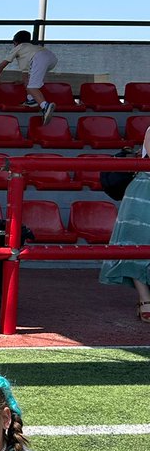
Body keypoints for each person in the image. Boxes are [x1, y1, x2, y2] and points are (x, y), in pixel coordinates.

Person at [99, 123, 150, 321]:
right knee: (135, 241)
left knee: (137, 241)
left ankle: (145, 301)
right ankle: (145, 299)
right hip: (144, 190)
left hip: (142, 190)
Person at [0, 30, 57, 123]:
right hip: (51, 59)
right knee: (31, 83)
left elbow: (2, 65)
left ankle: (45, 106)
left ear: (15, 42)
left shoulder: (19, 47)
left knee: (32, 87)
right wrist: (23, 82)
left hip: (39, 58)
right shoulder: (30, 50)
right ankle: (31, 100)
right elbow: (25, 74)